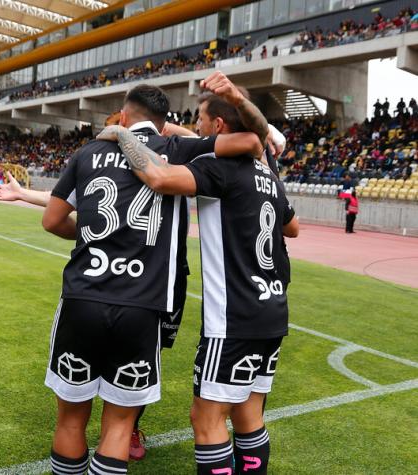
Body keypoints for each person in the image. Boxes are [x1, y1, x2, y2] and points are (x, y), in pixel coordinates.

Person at [40, 84, 263, 474]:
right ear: (163, 124)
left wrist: (95, 236)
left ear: (122, 117)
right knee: (120, 424)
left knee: (71, 420)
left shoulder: (88, 151)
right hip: (144, 303)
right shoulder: (175, 150)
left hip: (83, 296)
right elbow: (250, 140)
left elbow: (52, 220)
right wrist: (172, 134)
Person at [98, 72, 299, 475]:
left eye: (203, 123)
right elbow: (292, 228)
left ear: (219, 127)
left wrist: (123, 135)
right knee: (248, 412)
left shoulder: (218, 168)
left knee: (206, 418)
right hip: (273, 308)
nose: (198, 130)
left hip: (234, 318)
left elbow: (157, 176)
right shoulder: (268, 174)